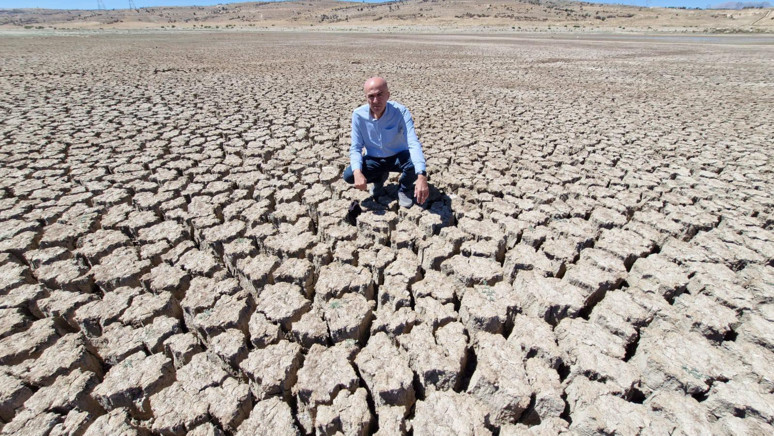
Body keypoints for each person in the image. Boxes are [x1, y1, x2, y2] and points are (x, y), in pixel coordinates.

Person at [342, 77, 429, 208]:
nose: (376, 101)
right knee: (349, 175)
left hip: (398, 157)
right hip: (374, 158)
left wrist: (422, 176)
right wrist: (357, 172)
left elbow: (413, 142)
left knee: (414, 164)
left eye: (380, 94)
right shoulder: (358, 115)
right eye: (371, 96)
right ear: (366, 97)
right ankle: (378, 181)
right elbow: (356, 147)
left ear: (388, 95)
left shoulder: (400, 112)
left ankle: (404, 189)